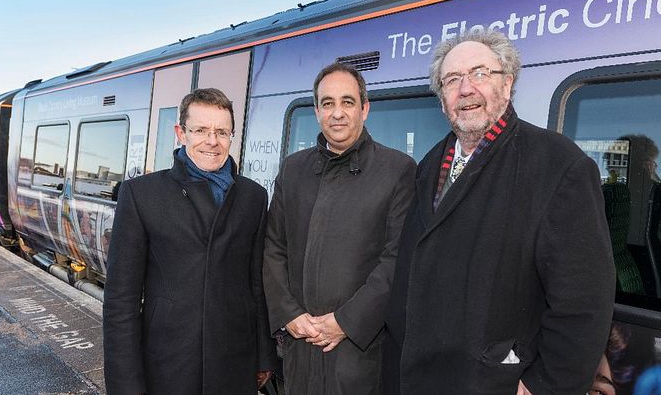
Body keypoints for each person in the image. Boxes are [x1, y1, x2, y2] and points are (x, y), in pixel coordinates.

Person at [383, 31, 616, 394]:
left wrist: (543, 385)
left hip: (493, 382)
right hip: (422, 376)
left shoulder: (558, 165)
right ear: (442, 100)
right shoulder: (430, 165)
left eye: (480, 73)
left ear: (507, 85)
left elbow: (584, 303)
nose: (465, 89)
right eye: (452, 80)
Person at [103, 88, 276, 394]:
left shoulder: (253, 197)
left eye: (222, 132)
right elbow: (121, 302)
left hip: (233, 363)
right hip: (167, 365)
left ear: (232, 136)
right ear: (180, 133)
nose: (212, 141)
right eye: (200, 130)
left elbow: (256, 285)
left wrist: (264, 355)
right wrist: (125, 385)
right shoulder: (141, 195)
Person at [263, 63, 416, 394]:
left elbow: (396, 260)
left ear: (365, 108)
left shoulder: (398, 170)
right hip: (299, 349)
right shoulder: (293, 170)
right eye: (327, 103)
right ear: (317, 111)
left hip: (359, 354)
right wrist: (288, 314)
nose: (337, 113)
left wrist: (345, 322)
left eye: (347, 102)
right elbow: (274, 247)